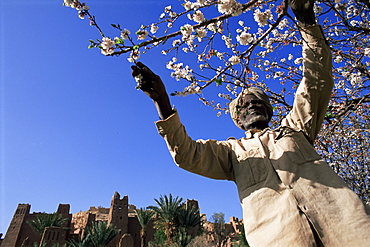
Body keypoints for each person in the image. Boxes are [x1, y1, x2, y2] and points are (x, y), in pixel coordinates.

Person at [131, 0, 370, 246]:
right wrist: (162, 101)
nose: (251, 105)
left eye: (256, 101)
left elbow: (316, 81)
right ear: (238, 119)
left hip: (347, 229)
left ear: (268, 109)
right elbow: (187, 154)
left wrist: (306, 21)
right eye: (244, 105)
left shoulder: (296, 128)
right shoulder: (231, 153)